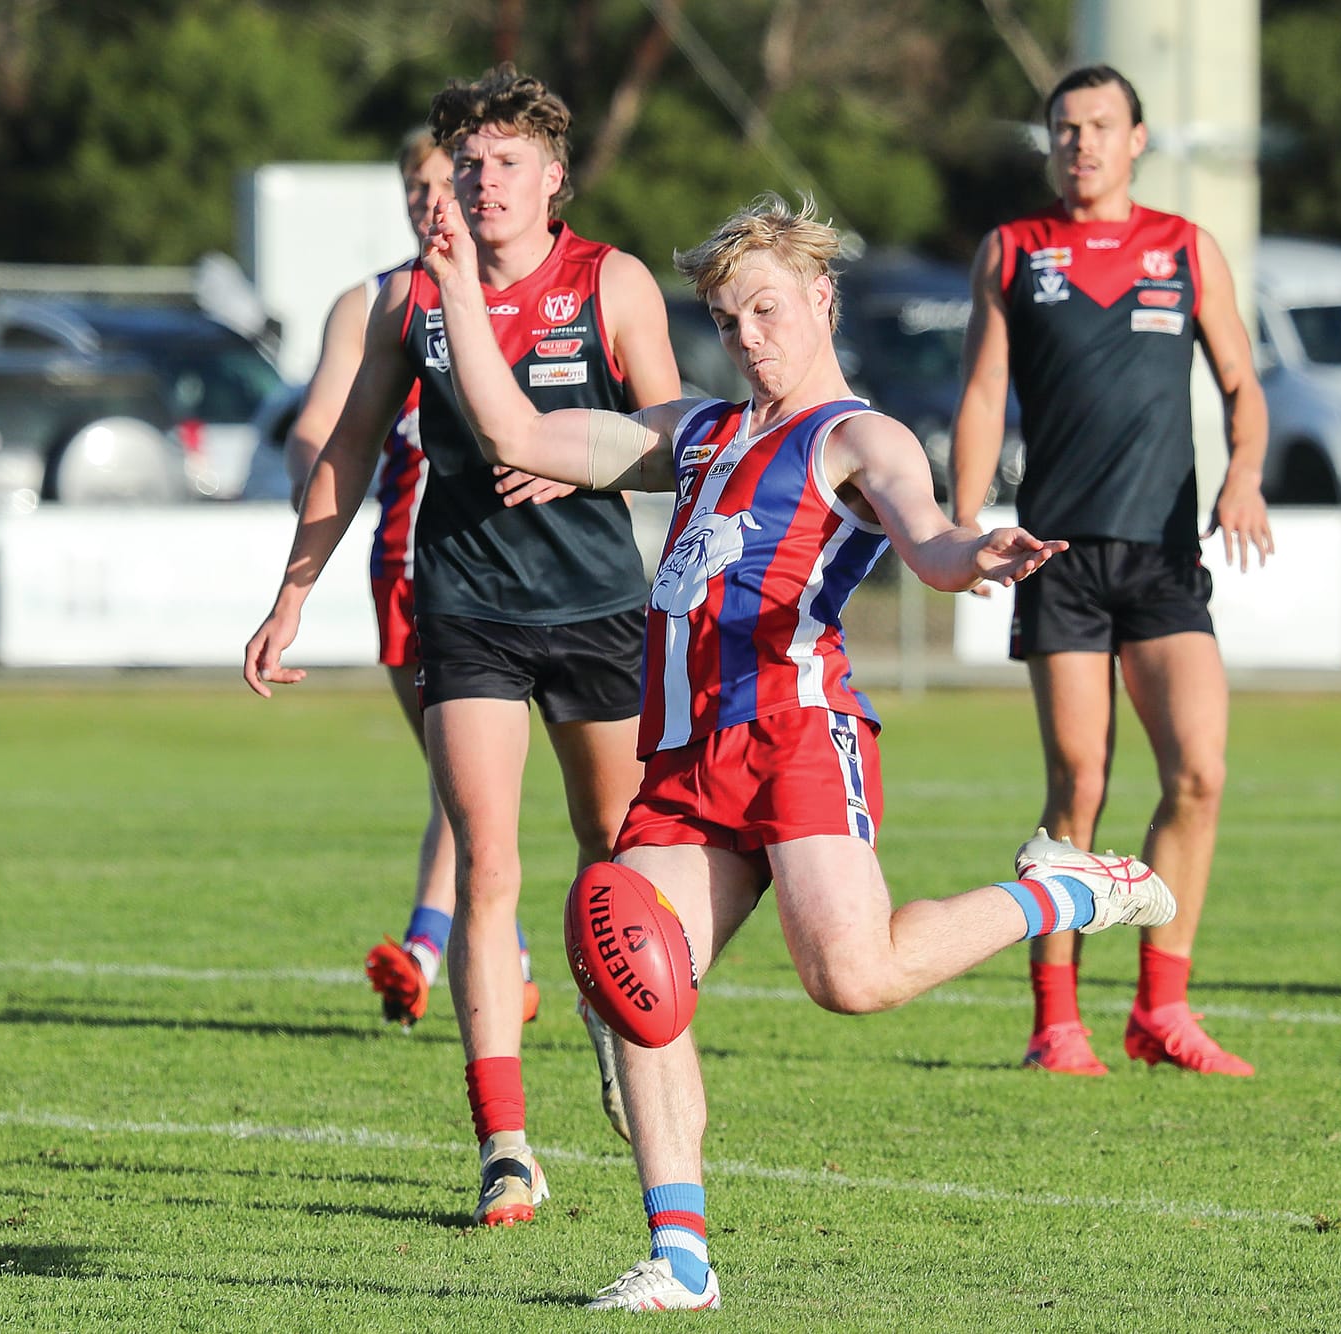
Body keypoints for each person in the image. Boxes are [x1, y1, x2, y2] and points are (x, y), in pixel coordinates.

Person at [417, 190, 1179, 1311]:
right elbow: (516, 436)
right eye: (726, 320)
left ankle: (1057, 893)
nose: (747, 337)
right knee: (639, 975)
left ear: (820, 298)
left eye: (765, 309)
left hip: (791, 732)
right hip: (680, 759)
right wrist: (446, 285)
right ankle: (679, 1255)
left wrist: (976, 552)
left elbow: (923, 537)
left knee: (852, 976)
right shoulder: (695, 432)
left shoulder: (856, 436)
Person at [243, 64, 683, 1227]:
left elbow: (669, 439)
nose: (481, 182)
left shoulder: (612, 281)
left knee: (614, 858)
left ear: (552, 177)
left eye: (502, 163)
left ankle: (615, 1035)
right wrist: (292, 595)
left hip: (595, 608)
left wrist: (579, 448)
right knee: (488, 865)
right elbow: (340, 454)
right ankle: (503, 1143)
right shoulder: (411, 302)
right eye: (466, 164)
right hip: (466, 605)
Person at [949, 64, 1274, 1078]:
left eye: (1098, 125)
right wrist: (961, 527)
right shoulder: (1011, 252)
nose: (1079, 141)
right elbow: (980, 394)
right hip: (1057, 556)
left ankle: (1160, 1010)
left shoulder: (1183, 249)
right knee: (1077, 782)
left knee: (1199, 771)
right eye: (1063, 127)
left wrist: (1244, 478)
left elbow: (1239, 382)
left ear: (1136, 138)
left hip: (1163, 555)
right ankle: (1055, 1020)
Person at [284, 125, 544, 1036]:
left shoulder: (537, 288)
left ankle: (436, 944)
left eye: (452, 181)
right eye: (418, 189)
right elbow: (321, 427)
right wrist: (314, 486)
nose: (436, 202)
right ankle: (494, 952)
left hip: (532, 569)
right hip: (411, 563)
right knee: (457, 777)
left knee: (477, 787)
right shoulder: (378, 302)